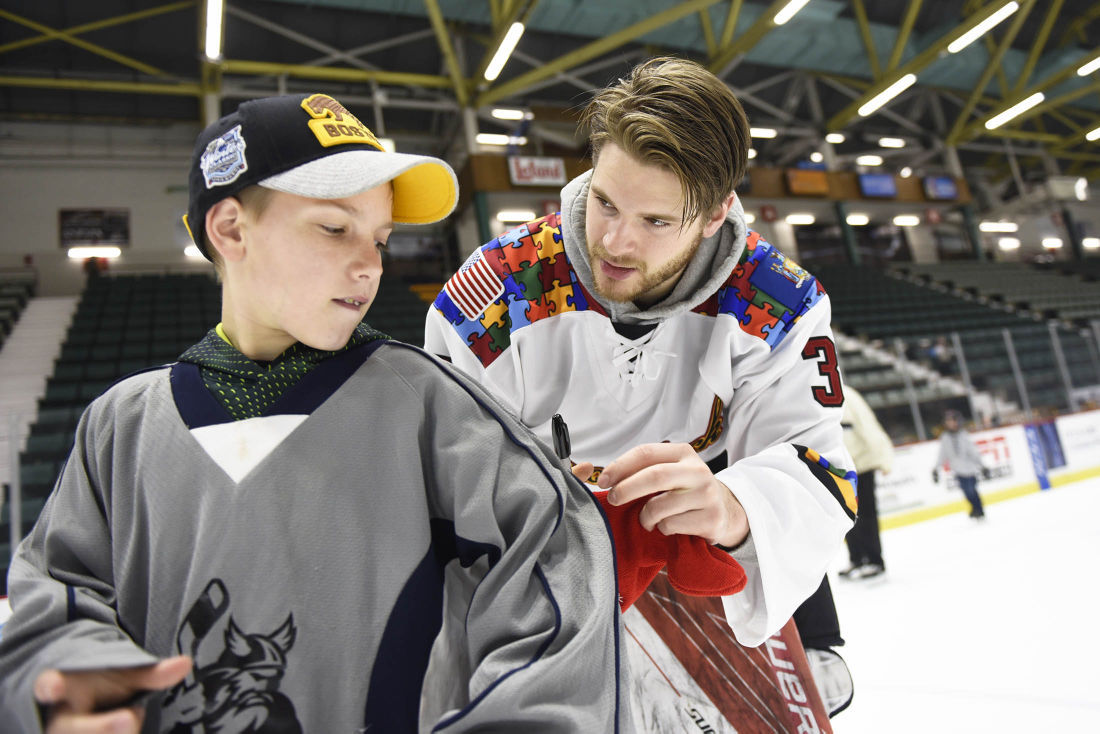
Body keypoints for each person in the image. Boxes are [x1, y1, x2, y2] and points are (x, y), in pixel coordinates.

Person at [0, 93, 630, 733]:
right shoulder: (119, 427)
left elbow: (561, 572)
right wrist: (67, 683)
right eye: (335, 228)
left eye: (380, 239)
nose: (370, 266)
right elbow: (55, 594)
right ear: (230, 229)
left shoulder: (431, 408)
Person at [424, 57, 857, 715]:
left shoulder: (778, 302)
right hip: (548, 578)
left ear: (716, 214)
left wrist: (733, 509)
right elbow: (442, 488)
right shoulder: (497, 294)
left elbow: (821, 469)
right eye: (604, 202)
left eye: (655, 221)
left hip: (705, 568)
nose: (616, 242)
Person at [838, 385, 894, 581]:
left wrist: (884, 458)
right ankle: (857, 559)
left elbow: (868, 426)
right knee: (846, 518)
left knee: (866, 514)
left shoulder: (848, 395)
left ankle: (873, 559)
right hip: (838, 470)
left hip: (860, 465)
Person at [933, 409, 988, 519]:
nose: (950, 424)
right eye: (948, 421)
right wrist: (936, 468)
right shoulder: (945, 437)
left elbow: (973, 452)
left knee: (972, 490)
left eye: (952, 421)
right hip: (958, 470)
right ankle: (975, 508)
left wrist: (982, 465)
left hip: (970, 469)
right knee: (966, 492)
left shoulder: (963, 435)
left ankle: (979, 509)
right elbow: (942, 454)